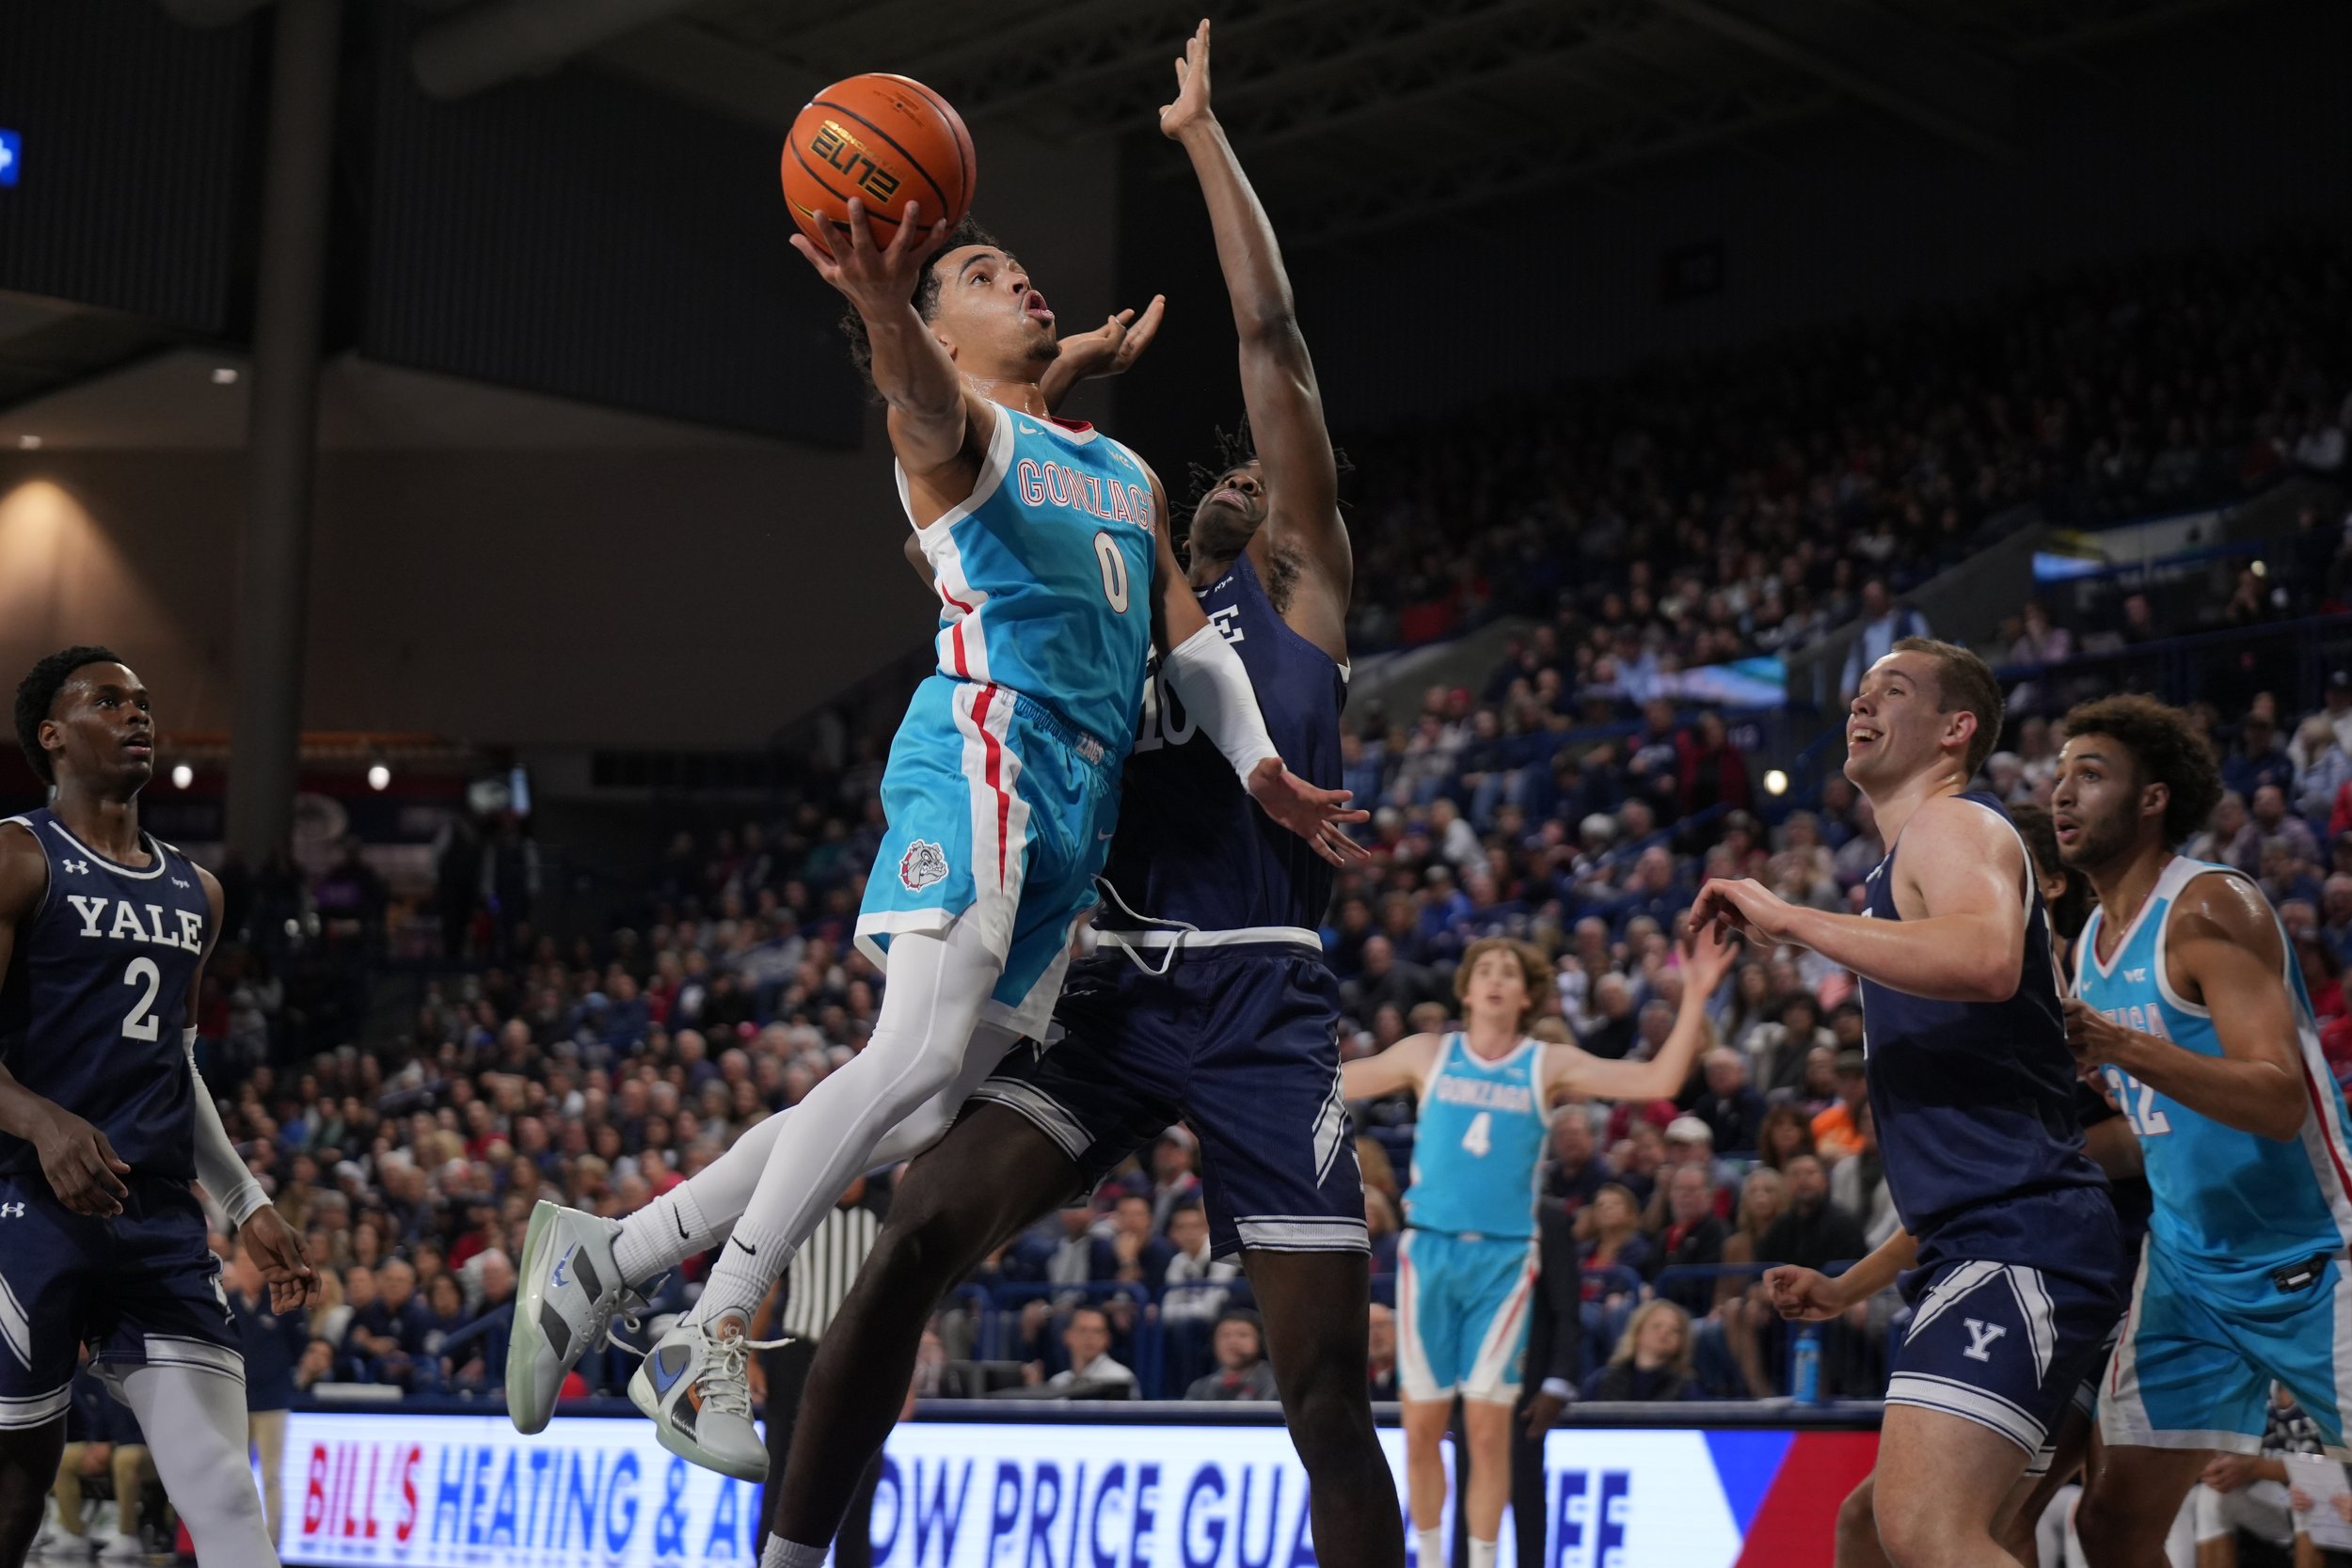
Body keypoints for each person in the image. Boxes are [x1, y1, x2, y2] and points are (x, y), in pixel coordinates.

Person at [515, 24, 1399, 1565]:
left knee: (1322, 1384)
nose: (1249, 485)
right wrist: (958, 346)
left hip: (1254, 994)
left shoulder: (1293, 596)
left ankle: (637, 1262)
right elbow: (963, 478)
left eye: (1265, 484)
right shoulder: (1108, 566)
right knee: (913, 1219)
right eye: (1228, 485)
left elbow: (1270, 342)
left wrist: (1196, 138)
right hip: (1101, 975)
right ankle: (755, 1461)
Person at [1694, 637, 2122, 1568]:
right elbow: (1976, 1150)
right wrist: (1852, 1281)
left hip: (2023, 1243)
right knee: (1874, 1528)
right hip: (1990, 1235)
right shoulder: (1904, 872)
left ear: (1953, 728)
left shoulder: (1950, 825)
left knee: (1928, 1531)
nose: (1862, 702)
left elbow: (1982, 957)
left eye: (1893, 690)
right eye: (1858, 688)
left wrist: (1792, 917)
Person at [2, 648, 316, 1566]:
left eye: (142, 702)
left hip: (158, 1226)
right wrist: (41, 1120)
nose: (138, 715)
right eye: (108, 701)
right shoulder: (19, 857)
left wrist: (247, 1200)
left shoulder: (197, 890)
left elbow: (177, 1066)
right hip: (27, 1209)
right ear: (53, 735)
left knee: (222, 1486)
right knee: (17, 1488)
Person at [2048, 694, 2352, 1567]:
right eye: (2061, 774)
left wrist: (2119, 1046)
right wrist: (2043, 1156)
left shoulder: (2213, 906)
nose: (2063, 793)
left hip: (2309, 1256)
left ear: (2152, 800)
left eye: (2091, 775)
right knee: (2110, 1526)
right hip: (2186, 1269)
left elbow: (2274, 1097)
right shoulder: (2090, 947)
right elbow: (2154, 1127)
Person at [1342, 927, 1738, 1568]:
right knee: (1419, 1430)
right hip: (1430, 1253)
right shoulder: (1427, 1053)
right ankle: (1434, 1557)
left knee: (1488, 1431)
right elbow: (1326, 1081)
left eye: (1509, 971)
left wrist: (1695, 994)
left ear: (1526, 995)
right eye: (1485, 969)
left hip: (1503, 1261)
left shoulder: (1545, 1063)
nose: (1495, 978)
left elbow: (1660, 1075)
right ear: (1466, 988)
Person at [227, 1240, 308, 1538]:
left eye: (253, 1261)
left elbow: (300, 1348)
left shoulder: (283, 1304)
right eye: (242, 1260)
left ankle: (272, 1540)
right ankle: (238, 1537)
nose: (248, 1267)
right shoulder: (226, 1303)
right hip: (235, 1400)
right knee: (237, 1474)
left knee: (272, 1474)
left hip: (272, 1400)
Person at [1580, 1301, 1698, 1402]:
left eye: (1675, 1330)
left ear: (1680, 1343)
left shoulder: (1686, 1389)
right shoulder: (1601, 1380)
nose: (1665, 1332)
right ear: (1638, 1334)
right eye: (1657, 1326)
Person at [1184, 1310, 1279, 1401]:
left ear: (1261, 1342)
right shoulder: (1200, 1388)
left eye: (1242, 1335)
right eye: (1225, 1335)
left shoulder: (1276, 1385)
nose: (1232, 1342)